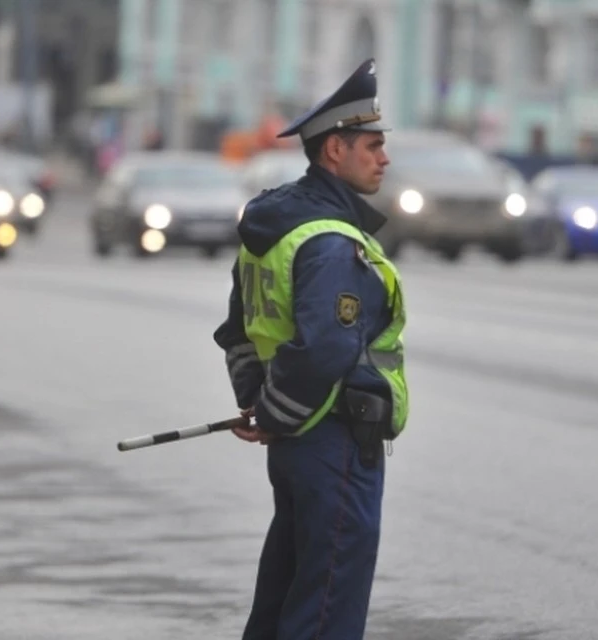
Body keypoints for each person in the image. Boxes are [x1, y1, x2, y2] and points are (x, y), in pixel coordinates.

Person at [212, 58, 410, 640]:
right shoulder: (330, 242)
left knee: (286, 595)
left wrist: (263, 406)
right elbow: (325, 348)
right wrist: (274, 414)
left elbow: (240, 331)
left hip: (298, 441)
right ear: (334, 152)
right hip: (336, 440)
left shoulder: (276, 226)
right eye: (372, 145)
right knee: (326, 606)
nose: (384, 157)